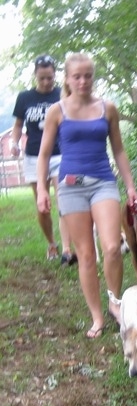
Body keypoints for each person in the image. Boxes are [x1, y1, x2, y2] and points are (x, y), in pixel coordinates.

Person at [36, 52, 137, 339]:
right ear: (67, 79)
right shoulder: (57, 110)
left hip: (103, 182)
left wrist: (130, 187)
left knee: (111, 247)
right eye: (76, 76)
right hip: (70, 187)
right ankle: (97, 316)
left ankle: (114, 303)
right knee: (85, 254)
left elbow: (118, 150)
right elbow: (44, 154)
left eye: (88, 75)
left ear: (94, 77)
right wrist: (42, 189)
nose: (83, 81)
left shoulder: (108, 108)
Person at [11, 54, 76, 265]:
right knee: (42, 206)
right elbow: (19, 125)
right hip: (33, 156)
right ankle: (52, 244)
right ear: (35, 76)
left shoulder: (62, 94)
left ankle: (67, 250)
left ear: (55, 74)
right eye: (42, 78)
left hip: (60, 153)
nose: (46, 82)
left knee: (63, 200)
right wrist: (14, 143)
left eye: (49, 77)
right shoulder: (24, 98)